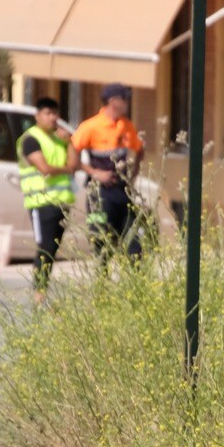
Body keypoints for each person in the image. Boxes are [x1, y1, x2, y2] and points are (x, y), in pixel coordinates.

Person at [72, 83, 146, 261]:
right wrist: (95, 172)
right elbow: (72, 153)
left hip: (122, 191)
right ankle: (102, 282)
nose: (128, 102)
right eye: (124, 99)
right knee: (101, 241)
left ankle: (135, 282)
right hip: (98, 193)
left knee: (133, 243)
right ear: (113, 101)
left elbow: (139, 149)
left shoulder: (126, 125)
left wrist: (132, 176)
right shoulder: (90, 126)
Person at [19, 97, 77, 294]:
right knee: (44, 249)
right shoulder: (31, 139)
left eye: (55, 113)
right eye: (48, 113)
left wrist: (69, 143)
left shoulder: (57, 139)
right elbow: (44, 168)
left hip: (61, 203)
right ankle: (39, 294)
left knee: (52, 251)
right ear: (38, 116)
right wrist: (66, 169)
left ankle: (42, 291)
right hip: (41, 203)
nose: (53, 118)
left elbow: (74, 164)